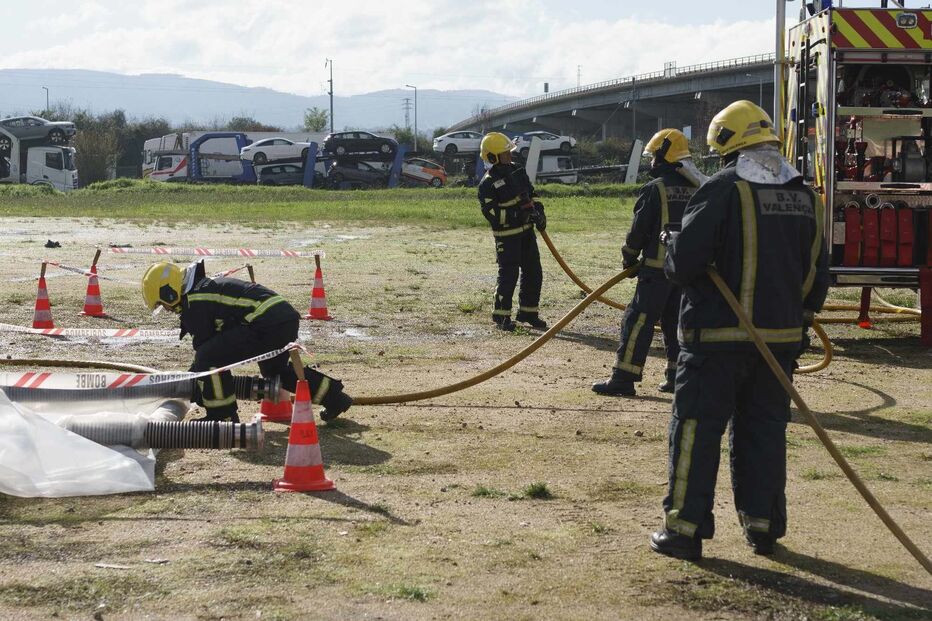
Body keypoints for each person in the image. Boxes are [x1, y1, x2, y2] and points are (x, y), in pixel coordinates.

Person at [649, 100, 829, 561]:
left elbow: (683, 265)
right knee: (765, 431)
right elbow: (815, 271)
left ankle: (684, 531)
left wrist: (673, 247)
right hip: (780, 342)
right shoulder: (803, 194)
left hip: (715, 341)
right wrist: (800, 318)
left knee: (695, 430)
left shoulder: (723, 188)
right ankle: (764, 527)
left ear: (728, 147)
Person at [141, 260, 353, 422]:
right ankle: (335, 398)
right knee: (275, 372)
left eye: (163, 304)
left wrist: (192, 382)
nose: (167, 310)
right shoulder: (201, 290)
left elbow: (205, 351)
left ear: (169, 292)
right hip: (281, 320)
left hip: (265, 324)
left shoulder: (195, 300)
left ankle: (222, 416)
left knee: (209, 358)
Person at [592, 128, 706, 397]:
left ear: (663, 155)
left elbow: (639, 230)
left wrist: (629, 257)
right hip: (684, 272)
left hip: (655, 270)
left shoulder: (654, 189)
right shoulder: (696, 187)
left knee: (638, 321)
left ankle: (624, 377)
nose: (651, 162)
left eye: (653, 156)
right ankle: (676, 377)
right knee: (676, 323)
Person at [477, 132, 547, 332]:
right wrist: (519, 215)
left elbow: (532, 197)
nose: (510, 156)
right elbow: (492, 214)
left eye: (509, 152)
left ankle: (528, 312)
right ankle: (501, 316)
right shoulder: (487, 184)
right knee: (509, 275)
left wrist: (539, 215)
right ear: (492, 157)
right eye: (505, 153)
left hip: (527, 234)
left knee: (534, 272)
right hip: (507, 238)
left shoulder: (518, 171)